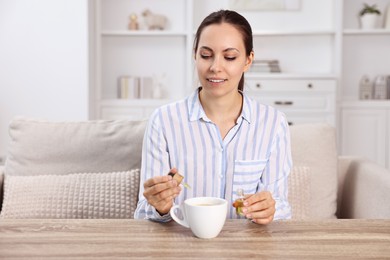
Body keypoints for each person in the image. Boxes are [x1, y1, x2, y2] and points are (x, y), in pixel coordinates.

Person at [134, 10, 292, 224]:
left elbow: (281, 207)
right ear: (195, 56)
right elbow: (144, 212)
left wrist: (269, 210)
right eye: (206, 55)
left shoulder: (273, 124)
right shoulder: (164, 121)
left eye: (230, 57)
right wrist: (161, 207)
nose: (215, 67)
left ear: (248, 60)